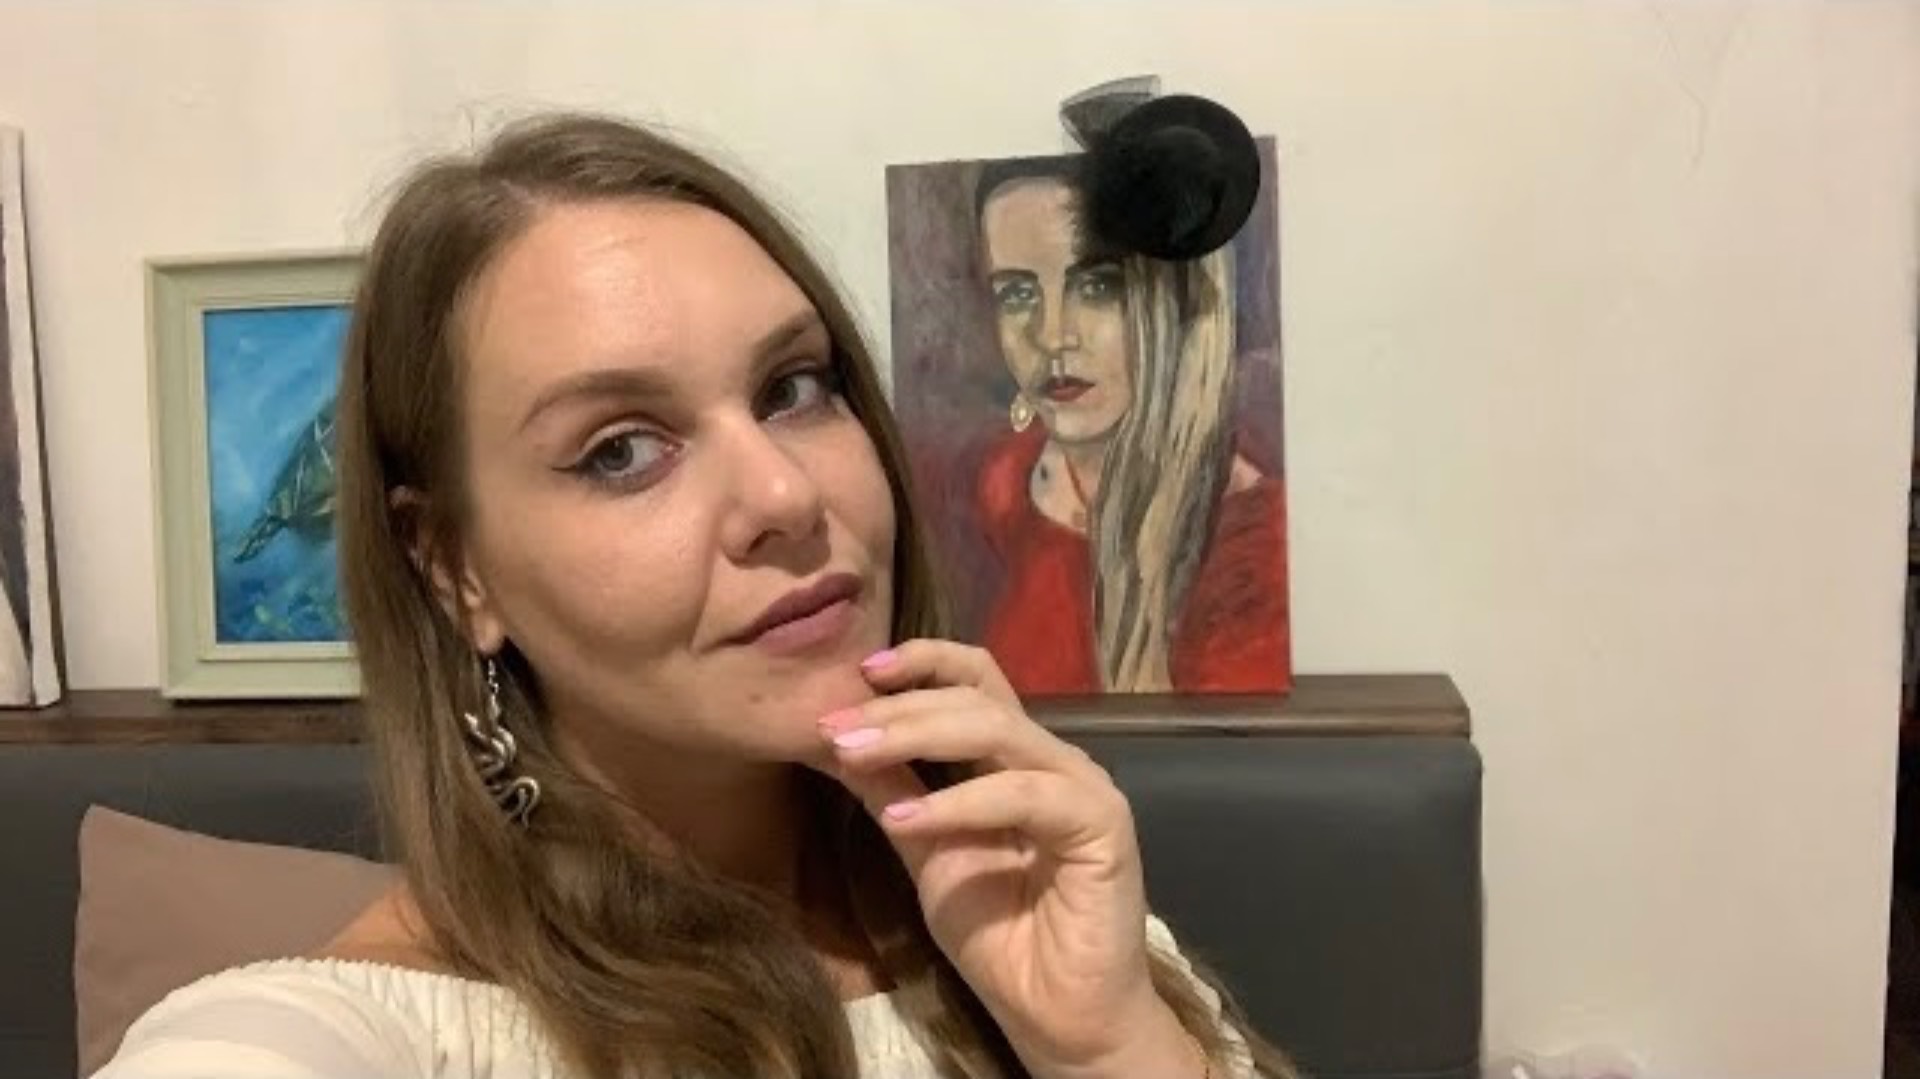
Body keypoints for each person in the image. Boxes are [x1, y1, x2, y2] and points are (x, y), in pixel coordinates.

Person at [91, 114, 1294, 1079]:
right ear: (455, 568)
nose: (784, 492)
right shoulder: (358, 1030)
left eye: (794, 387)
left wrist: (1105, 1046)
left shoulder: (1040, 901)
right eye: (620, 449)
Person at [971, 156, 1290, 695]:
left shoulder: (1251, 555)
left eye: (1098, 287)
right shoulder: (1002, 485)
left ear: (1175, 302)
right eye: (1018, 294)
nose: (1052, 336)